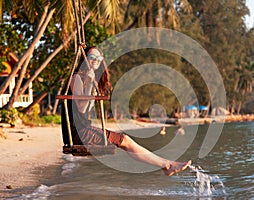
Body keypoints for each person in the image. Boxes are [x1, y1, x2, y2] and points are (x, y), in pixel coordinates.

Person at [61, 46, 191, 176]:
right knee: (126, 140)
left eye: (98, 58)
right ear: (84, 60)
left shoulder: (88, 79)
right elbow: (81, 108)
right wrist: (89, 82)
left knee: (125, 140)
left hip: (84, 131)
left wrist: (91, 84)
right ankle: (167, 165)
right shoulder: (76, 78)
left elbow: (85, 107)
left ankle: (166, 165)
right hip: (79, 134)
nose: (95, 60)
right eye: (91, 57)